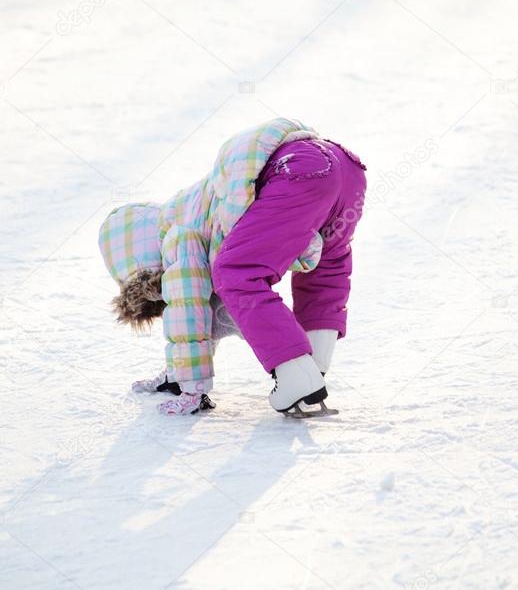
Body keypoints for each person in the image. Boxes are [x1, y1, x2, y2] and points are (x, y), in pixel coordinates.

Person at [98, 118, 367, 415]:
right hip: (343, 168)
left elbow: (188, 308)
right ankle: (313, 368)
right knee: (327, 265)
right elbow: (211, 313)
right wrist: (175, 372)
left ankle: (297, 377)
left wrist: (191, 388)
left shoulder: (176, 236)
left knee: (236, 273)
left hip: (296, 170)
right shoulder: (196, 213)